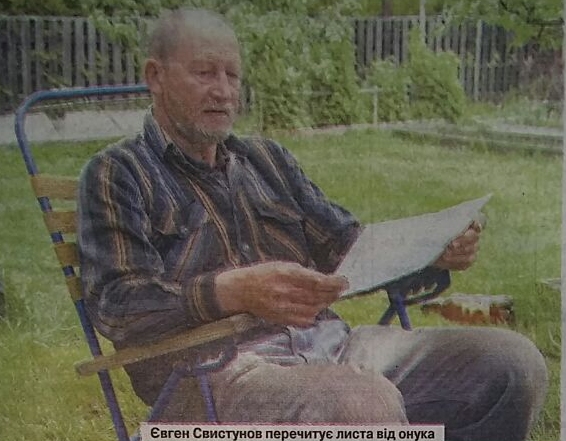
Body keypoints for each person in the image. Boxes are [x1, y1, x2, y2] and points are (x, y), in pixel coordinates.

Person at [77, 8, 547, 441]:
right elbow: (118, 304)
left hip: (330, 347)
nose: (223, 90)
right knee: (360, 403)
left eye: (232, 75)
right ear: (155, 76)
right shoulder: (118, 173)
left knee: (512, 365)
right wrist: (231, 291)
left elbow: (347, 247)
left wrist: (432, 252)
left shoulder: (267, 160)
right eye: (204, 73)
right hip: (212, 375)